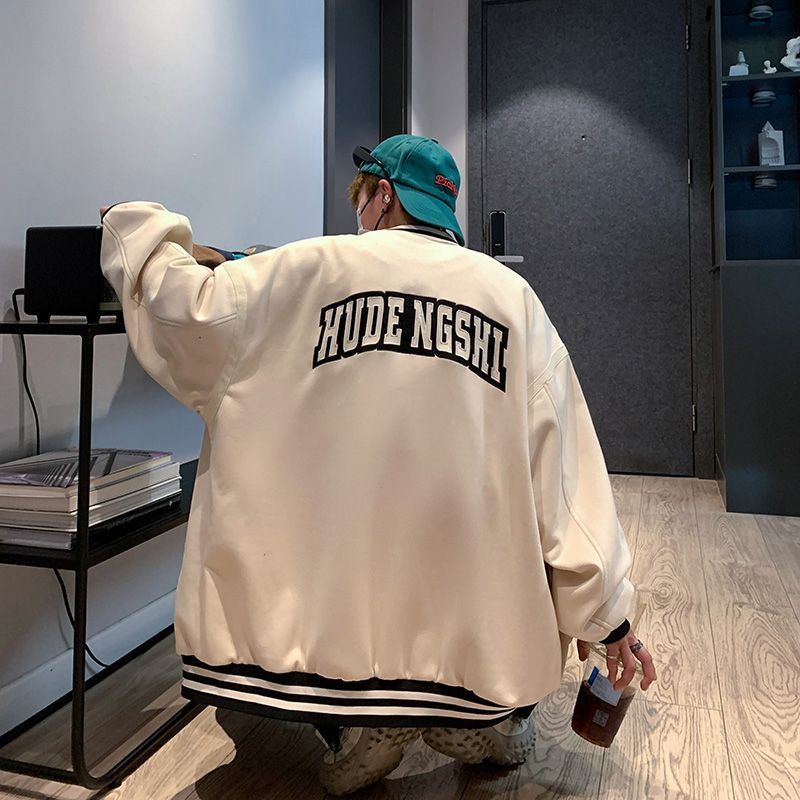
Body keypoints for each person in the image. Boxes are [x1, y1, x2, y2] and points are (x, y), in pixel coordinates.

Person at [99, 134, 656, 796]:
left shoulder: (294, 271)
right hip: (473, 626)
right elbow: (565, 477)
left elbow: (180, 307)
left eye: (361, 199)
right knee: (499, 571)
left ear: (382, 196)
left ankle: (357, 718)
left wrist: (136, 227)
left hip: (335, 616)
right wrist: (608, 617)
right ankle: (479, 713)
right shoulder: (512, 298)